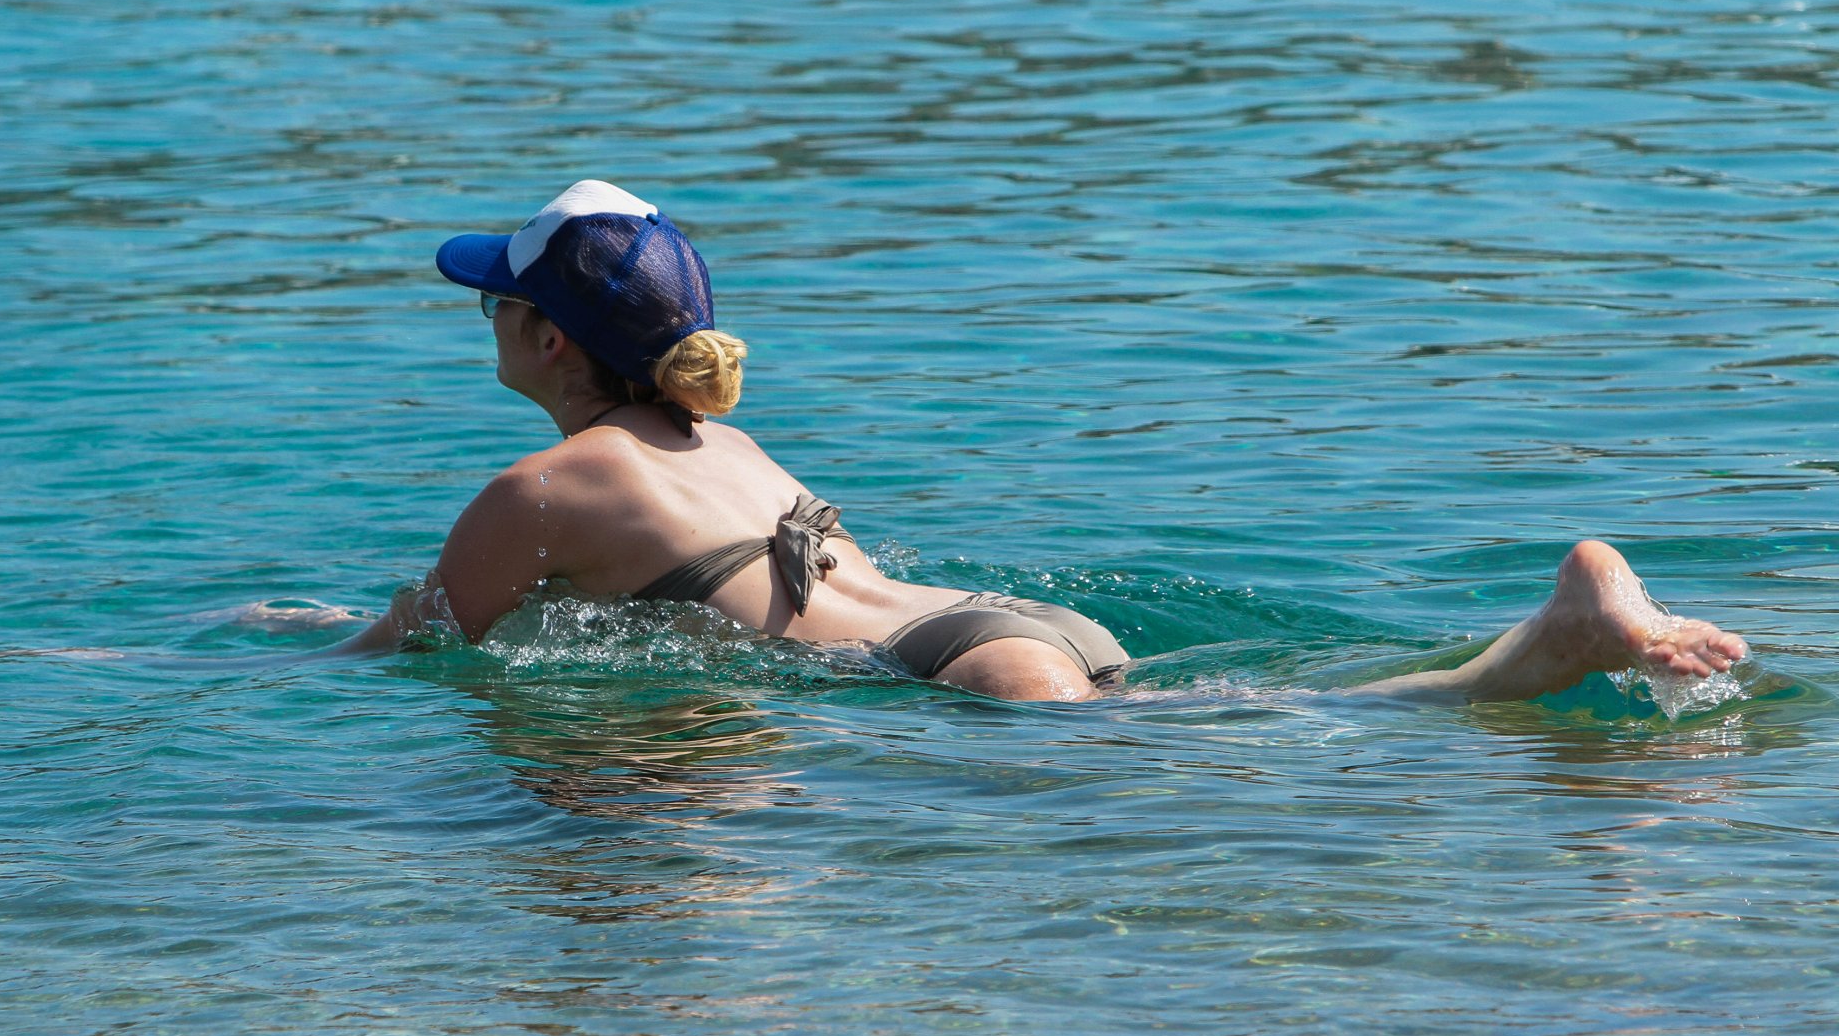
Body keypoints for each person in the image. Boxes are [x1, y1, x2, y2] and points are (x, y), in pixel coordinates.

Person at [336, 181, 1748, 704]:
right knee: (1265, 712)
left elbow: (409, 650)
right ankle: (1553, 639)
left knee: (1309, 738)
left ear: (551, 340)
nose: (488, 320)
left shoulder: (540, 487)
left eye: (496, 302)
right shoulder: (722, 441)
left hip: (967, 674)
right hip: (1005, 626)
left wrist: (257, 655)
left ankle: (1556, 639)